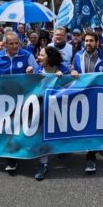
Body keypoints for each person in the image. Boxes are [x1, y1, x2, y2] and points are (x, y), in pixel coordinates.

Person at [0, 32, 37, 172]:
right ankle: (11, 159)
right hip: (6, 98)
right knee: (9, 128)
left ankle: (24, 151)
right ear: (5, 45)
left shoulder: (27, 55)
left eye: (17, 43)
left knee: (22, 127)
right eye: (11, 43)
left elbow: (39, 72)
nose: (15, 46)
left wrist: (32, 71)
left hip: (25, 97)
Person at [71, 32, 103, 173]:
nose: (88, 43)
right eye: (86, 41)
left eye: (91, 41)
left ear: (97, 42)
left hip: (96, 98)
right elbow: (72, 69)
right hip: (80, 96)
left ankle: (91, 157)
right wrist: (73, 71)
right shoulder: (77, 56)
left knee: (93, 126)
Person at [33, 46, 70, 181]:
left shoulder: (64, 69)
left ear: (49, 57)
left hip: (62, 109)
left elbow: (76, 82)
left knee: (62, 131)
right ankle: (43, 164)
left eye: (42, 55)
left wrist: (68, 76)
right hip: (43, 109)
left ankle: (63, 149)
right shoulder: (38, 70)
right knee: (43, 135)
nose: (38, 58)